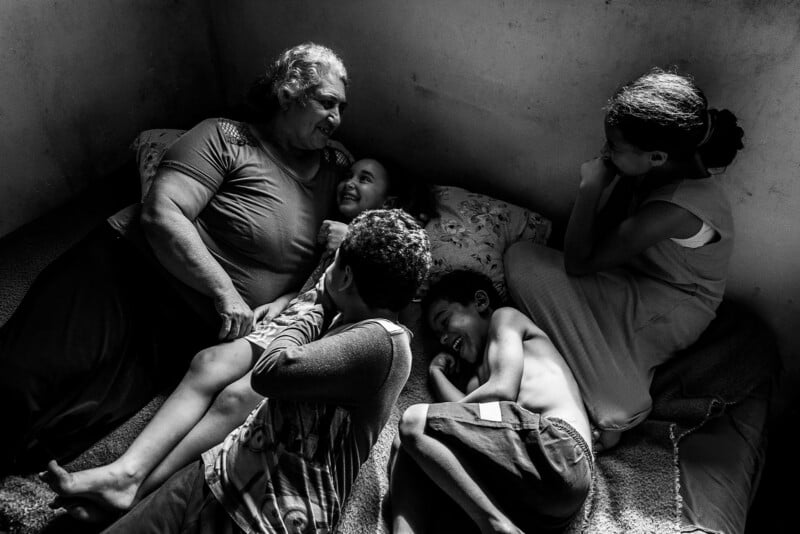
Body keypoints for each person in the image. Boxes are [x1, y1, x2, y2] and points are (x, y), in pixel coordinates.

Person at [0, 42, 352, 474]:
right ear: (287, 93)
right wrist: (225, 291)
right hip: (126, 270)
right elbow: (162, 213)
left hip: (181, 329)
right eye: (327, 103)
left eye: (341, 108)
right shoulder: (227, 136)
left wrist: (288, 299)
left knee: (63, 432)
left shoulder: (338, 171)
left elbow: (370, 233)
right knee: (18, 381)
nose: (337, 118)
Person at [41, 157, 436, 521]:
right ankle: (126, 468)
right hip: (296, 316)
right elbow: (312, 286)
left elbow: (386, 312)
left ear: (389, 201)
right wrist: (281, 302)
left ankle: (137, 488)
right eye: (349, 175)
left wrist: (347, 241)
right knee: (207, 363)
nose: (349, 183)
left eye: (364, 179)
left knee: (239, 396)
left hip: (320, 334)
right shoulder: (329, 232)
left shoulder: (377, 261)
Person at [504, 67, 744, 450]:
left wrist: (590, 187)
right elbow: (597, 244)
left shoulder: (678, 209)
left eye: (613, 146)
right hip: (628, 280)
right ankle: (589, 359)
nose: (605, 152)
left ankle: (622, 396)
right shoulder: (658, 167)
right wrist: (618, 176)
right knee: (521, 259)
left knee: (616, 409)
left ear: (656, 156)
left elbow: (578, 262)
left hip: (670, 306)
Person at [390, 270, 592, 534]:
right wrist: (436, 374)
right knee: (407, 446)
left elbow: (501, 392)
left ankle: (495, 526)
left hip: (559, 451)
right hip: (539, 504)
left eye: (445, 320)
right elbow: (462, 419)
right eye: (438, 336)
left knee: (415, 420)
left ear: (481, 302)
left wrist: (425, 417)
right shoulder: (476, 382)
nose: (443, 339)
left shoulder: (505, 319)